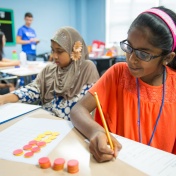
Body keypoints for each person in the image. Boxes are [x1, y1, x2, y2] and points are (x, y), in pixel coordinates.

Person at [70, 6, 176, 162]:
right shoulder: (118, 74)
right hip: (115, 164)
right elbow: (78, 110)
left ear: (167, 58)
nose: (132, 59)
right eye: (129, 47)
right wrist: (96, 132)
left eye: (143, 54)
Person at [0, 26, 99, 120]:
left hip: (72, 127)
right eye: (53, 50)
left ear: (74, 51)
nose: (54, 56)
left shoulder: (86, 69)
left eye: (59, 51)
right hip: (47, 123)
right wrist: (4, 98)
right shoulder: (50, 69)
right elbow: (33, 90)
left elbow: (80, 108)